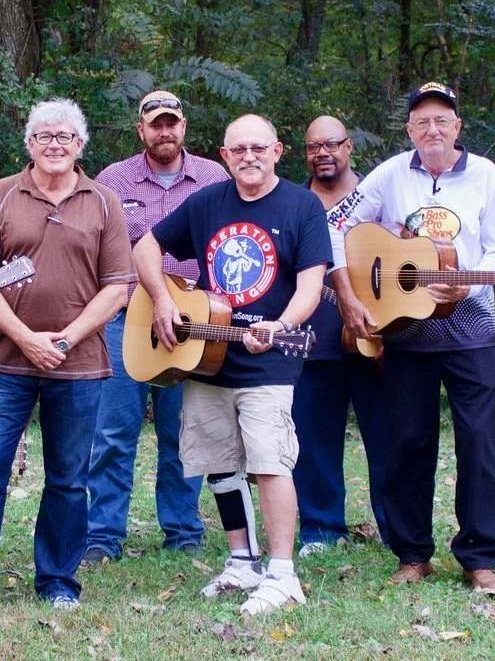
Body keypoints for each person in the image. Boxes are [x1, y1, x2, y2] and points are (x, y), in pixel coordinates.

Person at [0, 99, 135, 616]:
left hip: (78, 364)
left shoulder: (103, 202)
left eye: (65, 136)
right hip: (7, 362)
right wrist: (26, 336)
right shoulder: (1, 195)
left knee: (70, 478)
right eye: (44, 135)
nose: (54, 144)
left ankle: (57, 581)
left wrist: (65, 339)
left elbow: (117, 287)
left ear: (80, 145)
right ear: (29, 144)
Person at [136, 113, 330, 615]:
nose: (248, 157)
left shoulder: (302, 206)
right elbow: (145, 247)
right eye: (238, 149)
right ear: (224, 156)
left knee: (269, 461)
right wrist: (161, 299)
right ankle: (242, 560)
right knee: (219, 463)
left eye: (258, 148)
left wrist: (282, 325)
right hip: (208, 354)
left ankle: (282, 574)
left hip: (269, 358)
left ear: (277, 151)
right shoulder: (206, 203)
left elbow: (312, 283)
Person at [330, 82, 495, 595]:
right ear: (409, 129)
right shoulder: (389, 174)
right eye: (421, 122)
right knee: (408, 444)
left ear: (458, 126)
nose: (432, 130)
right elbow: (334, 229)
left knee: (478, 446)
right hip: (406, 332)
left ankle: (479, 558)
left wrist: (465, 284)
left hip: (472, 330)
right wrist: (348, 292)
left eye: (442, 120)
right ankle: (412, 555)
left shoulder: (485, 175)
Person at [83, 91, 229, 564]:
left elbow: (228, 248)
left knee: (183, 430)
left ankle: (183, 530)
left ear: (184, 126)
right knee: (112, 433)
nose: (165, 131)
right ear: (141, 131)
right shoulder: (112, 180)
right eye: (155, 124)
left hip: (193, 322)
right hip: (127, 321)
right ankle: (103, 535)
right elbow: (96, 253)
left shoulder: (213, 178)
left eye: (172, 123)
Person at [295, 115, 390, 557]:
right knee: (314, 443)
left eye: (331, 144)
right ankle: (320, 529)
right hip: (312, 342)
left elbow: (399, 257)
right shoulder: (294, 202)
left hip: (376, 339)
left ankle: (397, 529)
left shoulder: (378, 195)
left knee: (387, 439)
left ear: (349, 147)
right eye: (314, 146)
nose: (322, 153)